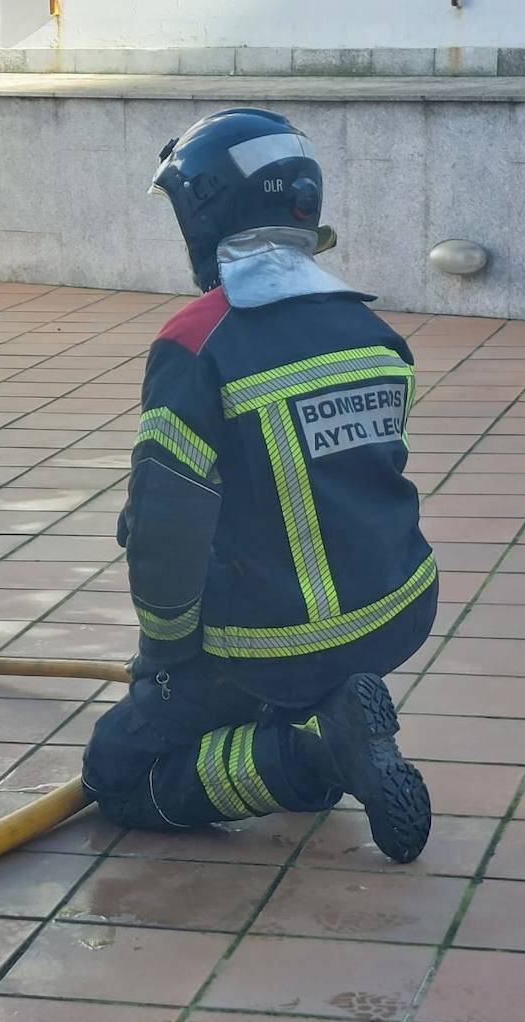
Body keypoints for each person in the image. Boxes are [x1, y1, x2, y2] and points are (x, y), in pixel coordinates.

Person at [81, 108, 439, 863]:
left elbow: (165, 534)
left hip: (274, 641)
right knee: (256, 689)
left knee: (117, 772)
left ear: (207, 214)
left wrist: (168, 656)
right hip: (393, 613)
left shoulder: (196, 342)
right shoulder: (374, 334)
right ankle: (330, 713)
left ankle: (313, 750)